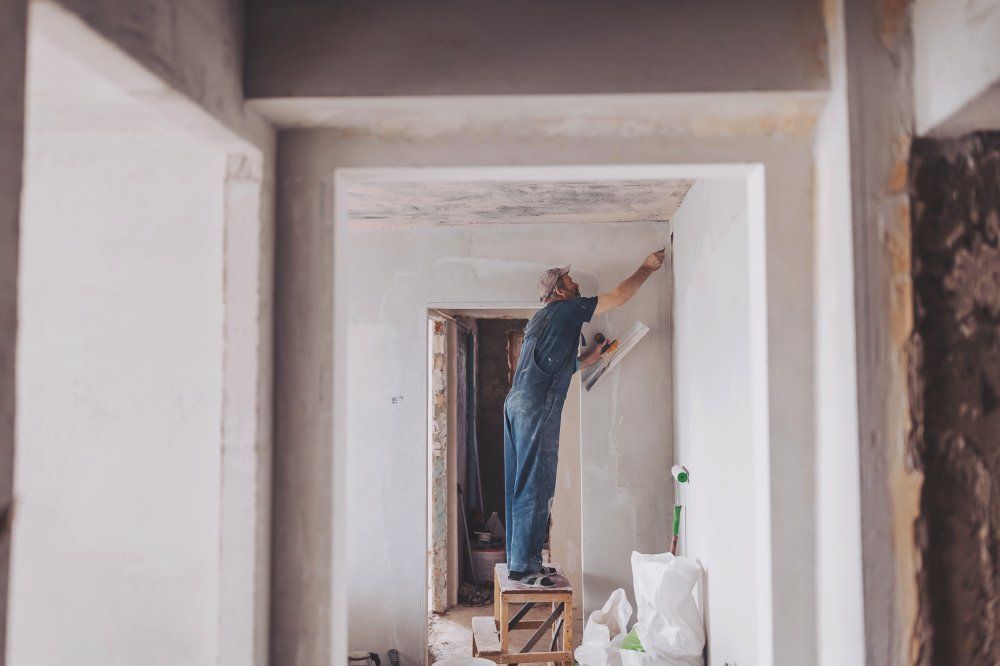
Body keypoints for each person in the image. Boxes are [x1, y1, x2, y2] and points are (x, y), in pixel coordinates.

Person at [503, 250, 666, 586]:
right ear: (559, 290)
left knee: (522, 481)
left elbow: (552, 366)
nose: (575, 283)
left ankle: (523, 561)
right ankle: (525, 568)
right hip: (536, 403)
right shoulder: (567, 309)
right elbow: (618, 296)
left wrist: (590, 358)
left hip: (518, 402)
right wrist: (646, 267)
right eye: (569, 280)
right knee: (537, 480)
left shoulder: (540, 320)